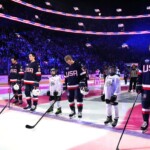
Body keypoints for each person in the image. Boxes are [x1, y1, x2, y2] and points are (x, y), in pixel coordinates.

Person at [136, 58, 150, 132]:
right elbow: (139, 73)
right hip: (146, 88)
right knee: (145, 107)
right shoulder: (143, 60)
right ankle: (145, 122)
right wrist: (138, 84)